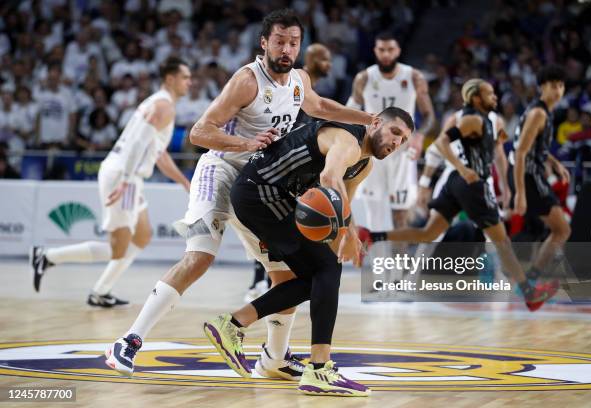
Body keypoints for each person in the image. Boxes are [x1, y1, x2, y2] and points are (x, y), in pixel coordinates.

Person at [104, 9, 372, 381]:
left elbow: (322, 107)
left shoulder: (299, 79)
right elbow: (199, 132)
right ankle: (129, 340)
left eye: (293, 42)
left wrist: (367, 119)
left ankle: (274, 359)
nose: (286, 48)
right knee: (199, 256)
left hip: (262, 183)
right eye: (279, 41)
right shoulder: (247, 80)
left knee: (286, 273)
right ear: (264, 43)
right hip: (222, 170)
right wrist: (245, 141)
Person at [205, 107, 415, 397]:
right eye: (395, 132)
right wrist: (350, 233)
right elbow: (330, 180)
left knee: (319, 274)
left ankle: (232, 324)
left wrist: (343, 236)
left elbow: (343, 203)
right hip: (260, 191)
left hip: (275, 196)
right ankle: (319, 369)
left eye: (403, 140)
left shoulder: (364, 165)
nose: (396, 142)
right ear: (376, 123)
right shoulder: (347, 140)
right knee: (326, 269)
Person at [359, 79, 559, 311]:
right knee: (499, 239)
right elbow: (438, 147)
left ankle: (374, 236)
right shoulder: (463, 118)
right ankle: (528, 293)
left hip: (468, 181)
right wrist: (427, 181)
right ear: (475, 97)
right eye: (490, 93)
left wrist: (505, 188)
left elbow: (500, 156)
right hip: (465, 179)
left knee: (430, 232)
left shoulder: (497, 121)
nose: (495, 97)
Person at [30, 57, 191, 307]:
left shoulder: (157, 103)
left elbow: (157, 152)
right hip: (124, 176)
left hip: (126, 174)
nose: (190, 82)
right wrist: (126, 181)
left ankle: (101, 291)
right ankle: (47, 256)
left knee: (143, 236)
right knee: (118, 250)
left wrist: (183, 181)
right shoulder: (164, 106)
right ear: (170, 79)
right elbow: (137, 145)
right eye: (185, 77)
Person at [245, 42, 332, 303]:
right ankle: (259, 280)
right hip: (280, 164)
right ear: (312, 58)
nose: (329, 63)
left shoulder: (310, 88)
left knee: (287, 229)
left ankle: (276, 279)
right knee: (269, 230)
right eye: (324, 58)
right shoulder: (296, 81)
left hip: (300, 167)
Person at [347, 31, 434, 232]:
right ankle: (380, 261)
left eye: (390, 49)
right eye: (382, 50)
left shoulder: (413, 77)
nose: (386, 54)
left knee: (401, 213)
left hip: (401, 151)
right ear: (375, 51)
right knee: (373, 212)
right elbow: (349, 112)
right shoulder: (364, 78)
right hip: (373, 149)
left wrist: (419, 135)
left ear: (398, 51)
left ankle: (399, 261)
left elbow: (429, 116)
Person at [509, 65, 571, 281]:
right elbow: (520, 152)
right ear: (541, 87)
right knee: (561, 230)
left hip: (532, 174)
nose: (558, 91)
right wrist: (519, 192)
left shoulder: (543, 111)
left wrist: (554, 163)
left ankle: (528, 279)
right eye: (553, 86)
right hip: (526, 175)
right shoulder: (538, 113)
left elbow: (537, 147)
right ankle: (528, 280)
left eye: (561, 86)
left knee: (553, 230)